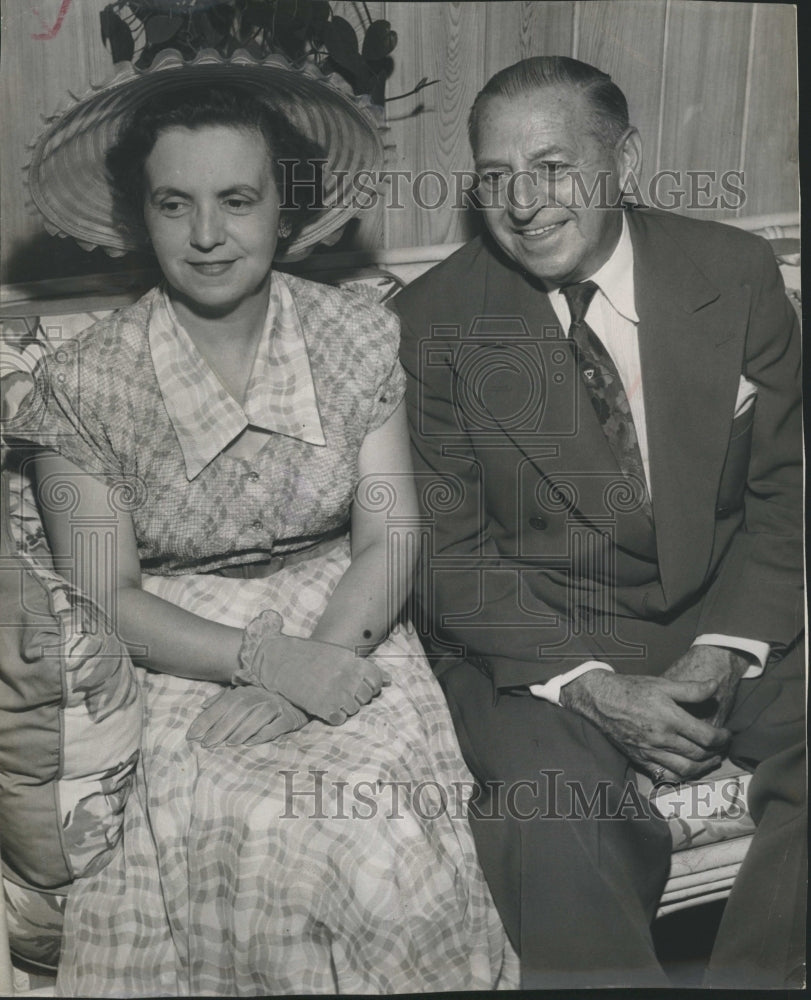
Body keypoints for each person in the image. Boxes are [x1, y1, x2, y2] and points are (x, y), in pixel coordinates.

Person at [10, 52, 518, 995]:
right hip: (177, 648)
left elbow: (391, 534)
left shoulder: (358, 334)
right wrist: (260, 661)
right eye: (174, 204)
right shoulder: (79, 384)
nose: (208, 235)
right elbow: (105, 593)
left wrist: (315, 665)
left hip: (352, 615)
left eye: (237, 201)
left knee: (383, 842)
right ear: (140, 215)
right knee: (260, 832)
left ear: (284, 208)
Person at [392, 55, 804, 989]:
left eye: (552, 166)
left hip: (726, 609)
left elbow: (786, 493)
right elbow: (450, 562)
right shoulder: (429, 324)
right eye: (494, 177)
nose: (523, 203)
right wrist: (589, 688)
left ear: (623, 158)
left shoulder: (734, 273)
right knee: (549, 814)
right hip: (544, 638)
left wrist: (727, 646)